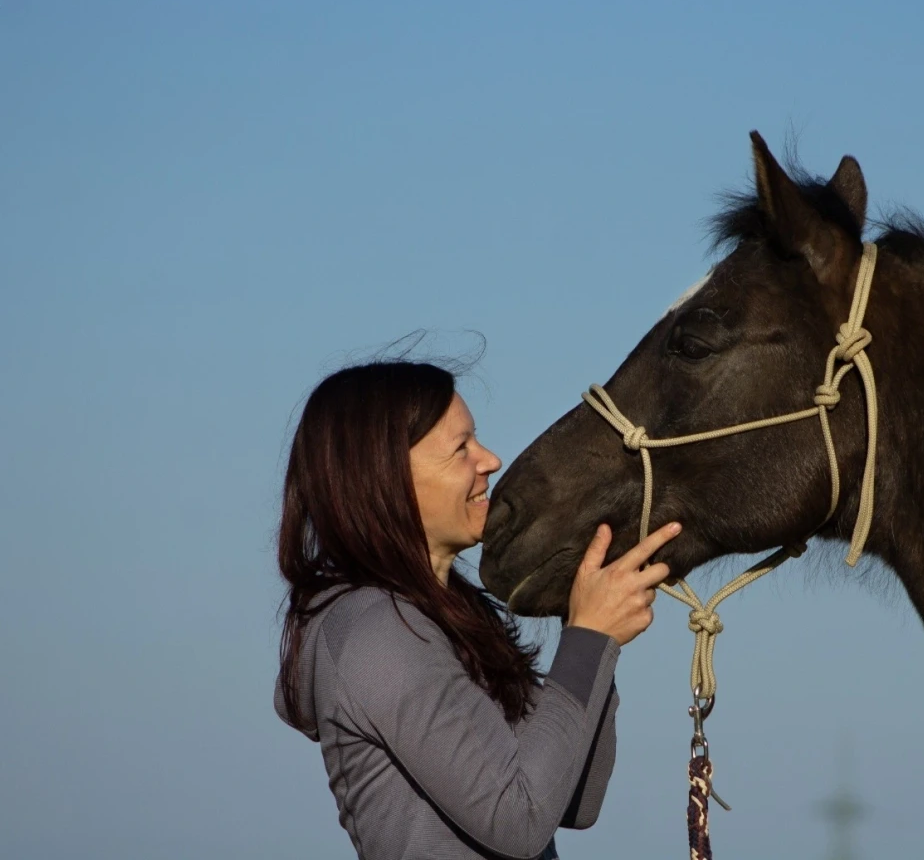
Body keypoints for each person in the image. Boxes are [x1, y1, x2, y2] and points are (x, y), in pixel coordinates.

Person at [275, 361, 679, 859]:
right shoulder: (375, 631)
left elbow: (576, 799)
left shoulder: (456, 619)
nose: (490, 460)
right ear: (386, 477)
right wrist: (589, 636)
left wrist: (590, 625)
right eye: (460, 448)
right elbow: (518, 819)